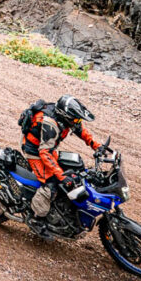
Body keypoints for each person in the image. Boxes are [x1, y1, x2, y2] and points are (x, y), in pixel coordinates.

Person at [21, 95, 102, 239]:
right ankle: (36, 218)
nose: (77, 122)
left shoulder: (67, 119)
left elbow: (80, 130)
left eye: (78, 119)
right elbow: (44, 153)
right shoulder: (51, 124)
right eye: (75, 119)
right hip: (35, 151)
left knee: (76, 166)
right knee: (51, 184)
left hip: (48, 148)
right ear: (66, 116)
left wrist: (97, 146)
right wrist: (61, 176)